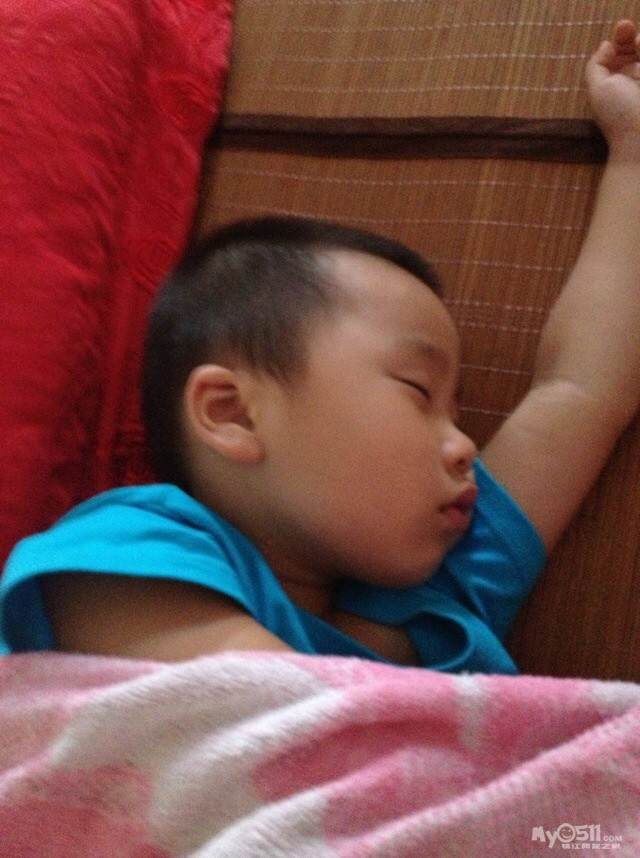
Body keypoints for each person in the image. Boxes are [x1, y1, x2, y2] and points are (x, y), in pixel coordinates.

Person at [2, 21, 640, 672]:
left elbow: (580, 390)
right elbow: (260, 711)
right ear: (233, 412)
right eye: (418, 391)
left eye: (455, 414)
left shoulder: (433, 603)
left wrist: (635, 152)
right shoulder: (130, 550)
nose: (465, 447)